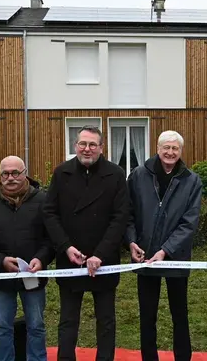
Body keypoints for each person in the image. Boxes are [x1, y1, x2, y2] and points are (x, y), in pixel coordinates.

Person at [41, 125, 130, 361]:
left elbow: (120, 217)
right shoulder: (61, 173)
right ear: (75, 146)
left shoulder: (116, 174)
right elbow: (50, 214)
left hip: (104, 260)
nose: (87, 149)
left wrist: (100, 254)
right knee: (68, 320)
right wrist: (66, 247)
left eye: (92, 145)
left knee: (106, 321)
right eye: (83, 144)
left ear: (102, 148)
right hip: (70, 259)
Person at [125, 130, 202, 361]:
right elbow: (127, 214)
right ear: (157, 149)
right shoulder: (138, 175)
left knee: (180, 313)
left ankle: (183, 357)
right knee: (147, 315)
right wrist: (131, 242)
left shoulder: (192, 180)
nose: (170, 152)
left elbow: (189, 223)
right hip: (145, 256)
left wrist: (165, 250)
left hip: (175, 256)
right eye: (166, 148)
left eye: (175, 148)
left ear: (181, 151)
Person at [0, 155, 54, 361]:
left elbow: (52, 238)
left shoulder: (43, 201)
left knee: (36, 326)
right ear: (0, 177)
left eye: (15, 173)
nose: (11, 178)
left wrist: (41, 259)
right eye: (5, 174)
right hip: (2, 278)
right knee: (2, 328)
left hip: (33, 277)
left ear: (25, 173)